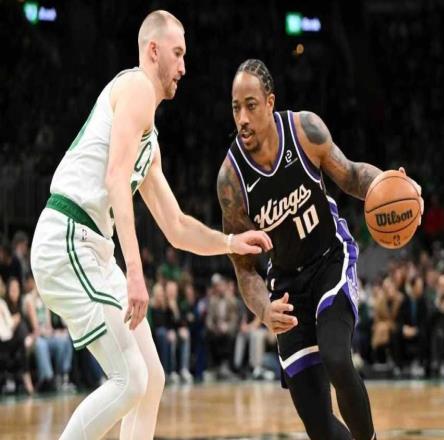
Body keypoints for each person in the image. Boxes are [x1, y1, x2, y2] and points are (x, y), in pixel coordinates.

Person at [30, 13, 271, 440]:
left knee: (153, 378)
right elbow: (115, 178)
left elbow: (176, 226)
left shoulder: (150, 138)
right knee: (131, 379)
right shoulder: (137, 87)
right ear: (153, 50)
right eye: (178, 54)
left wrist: (232, 241)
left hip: (92, 245)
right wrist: (136, 273)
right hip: (68, 234)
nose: (184, 67)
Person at [217, 59, 424, 440]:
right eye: (235, 107)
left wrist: (391, 185)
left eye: (250, 105)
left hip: (330, 259)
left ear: (270, 103)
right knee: (318, 425)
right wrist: (264, 309)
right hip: (286, 287)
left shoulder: (304, 130)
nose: (242, 118)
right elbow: (244, 267)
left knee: (337, 358)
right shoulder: (231, 180)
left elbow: (351, 175)